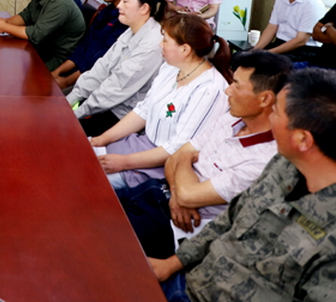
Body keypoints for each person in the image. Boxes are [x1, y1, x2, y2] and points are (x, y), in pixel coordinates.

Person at [149, 68, 336, 302]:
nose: (269, 119)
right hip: (192, 281)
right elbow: (230, 219)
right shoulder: (283, 165)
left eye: (275, 112)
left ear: (302, 139)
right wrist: (173, 263)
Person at [118, 50, 289, 260]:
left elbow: (188, 190)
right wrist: (177, 191)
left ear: (265, 99)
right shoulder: (232, 118)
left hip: (178, 225)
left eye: (236, 85)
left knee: (102, 238)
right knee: (94, 208)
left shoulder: (265, 158)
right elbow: (174, 159)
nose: (227, 90)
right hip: (160, 192)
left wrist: (184, 164)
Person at [89, 14, 231, 192]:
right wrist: (102, 139)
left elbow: (178, 148)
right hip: (139, 147)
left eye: (165, 41)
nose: (160, 44)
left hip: (163, 166)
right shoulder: (170, 68)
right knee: (80, 153)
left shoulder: (210, 89)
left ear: (185, 49)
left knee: (87, 177)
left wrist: (123, 162)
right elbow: (143, 111)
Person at [69, 0, 167, 136]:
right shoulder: (131, 30)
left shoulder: (152, 45)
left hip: (124, 116)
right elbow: (102, 68)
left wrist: (77, 113)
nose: (119, 5)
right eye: (120, 0)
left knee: (64, 131)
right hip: (105, 104)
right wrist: (72, 99)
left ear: (144, 8)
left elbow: (117, 88)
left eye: (125, 1)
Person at [51, 0, 138, 91]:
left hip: (98, 82)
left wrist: (66, 82)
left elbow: (101, 60)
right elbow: (84, 45)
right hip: (78, 73)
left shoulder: (126, 21)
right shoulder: (105, 12)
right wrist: (57, 72)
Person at [254, 0, 326, 62]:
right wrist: (255, 50)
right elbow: (271, 27)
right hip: (280, 44)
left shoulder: (313, 4)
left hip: (303, 50)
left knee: (263, 63)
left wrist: (268, 53)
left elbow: (301, 40)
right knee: (241, 56)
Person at [312, 2, 336, 68]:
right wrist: (333, 35)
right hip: (317, 61)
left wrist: (328, 27)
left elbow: (323, 27)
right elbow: (315, 34)